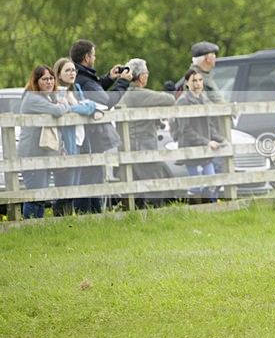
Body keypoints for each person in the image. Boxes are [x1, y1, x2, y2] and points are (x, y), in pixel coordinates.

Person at [70, 39, 131, 213]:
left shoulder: (82, 76)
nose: (95, 58)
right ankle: (90, 216)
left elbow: (96, 93)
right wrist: (123, 83)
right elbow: (107, 101)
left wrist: (109, 78)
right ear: (87, 57)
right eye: (94, 55)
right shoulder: (85, 79)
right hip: (92, 138)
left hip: (87, 139)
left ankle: (92, 216)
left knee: (91, 180)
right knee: (92, 180)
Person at [119, 58, 177, 207]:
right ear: (141, 76)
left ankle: (138, 215)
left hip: (128, 144)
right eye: (146, 73)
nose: (147, 76)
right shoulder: (138, 94)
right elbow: (169, 99)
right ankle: (154, 214)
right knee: (154, 182)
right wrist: (169, 91)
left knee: (135, 187)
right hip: (142, 143)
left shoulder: (123, 93)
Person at [17, 65, 70, 218]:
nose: (49, 82)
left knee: (41, 196)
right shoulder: (32, 98)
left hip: (44, 153)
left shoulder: (47, 97)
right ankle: (30, 226)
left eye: (51, 78)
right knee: (35, 196)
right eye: (45, 79)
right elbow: (57, 111)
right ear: (36, 81)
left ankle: (38, 225)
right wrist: (64, 103)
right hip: (32, 154)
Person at [51, 57, 98, 216]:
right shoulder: (56, 92)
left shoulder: (76, 89)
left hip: (81, 141)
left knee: (75, 186)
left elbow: (90, 106)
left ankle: (67, 219)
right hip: (66, 144)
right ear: (59, 74)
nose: (72, 73)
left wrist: (73, 108)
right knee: (66, 185)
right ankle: (59, 216)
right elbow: (63, 111)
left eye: (73, 70)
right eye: (67, 70)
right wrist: (79, 108)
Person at [174, 69, 229, 203]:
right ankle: (196, 210)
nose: (198, 83)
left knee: (211, 182)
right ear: (186, 83)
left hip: (205, 151)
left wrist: (220, 139)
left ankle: (208, 209)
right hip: (191, 149)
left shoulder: (203, 99)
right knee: (196, 185)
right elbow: (185, 129)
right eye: (194, 80)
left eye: (200, 80)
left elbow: (209, 126)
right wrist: (206, 142)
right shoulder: (183, 101)